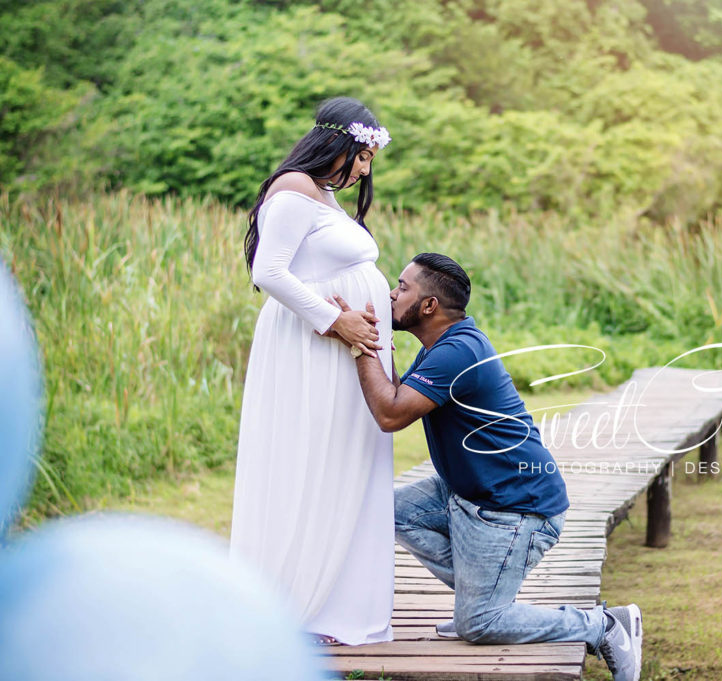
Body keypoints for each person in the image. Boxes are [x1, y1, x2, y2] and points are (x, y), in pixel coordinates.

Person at [327, 253, 643, 681]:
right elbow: (401, 394)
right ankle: (480, 598)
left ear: (429, 306)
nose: (390, 294)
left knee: (480, 625)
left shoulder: (457, 352)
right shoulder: (446, 344)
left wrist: (360, 343)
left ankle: (602, 625)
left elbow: (390, 414)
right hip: (467, 493)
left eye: (402, 287)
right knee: (380, 512)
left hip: (515, 508)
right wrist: (375, 346)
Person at [229, 96, 394, 646]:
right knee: (312, 461)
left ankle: (337, 605)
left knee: (345, 460)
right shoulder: (295, 190)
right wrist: (333, 321)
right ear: (338, 144)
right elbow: (268, 271)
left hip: (335, 350)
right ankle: (301, 607)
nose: (366, 169)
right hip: (310, 350)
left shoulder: (320, 193)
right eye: (363, 156)